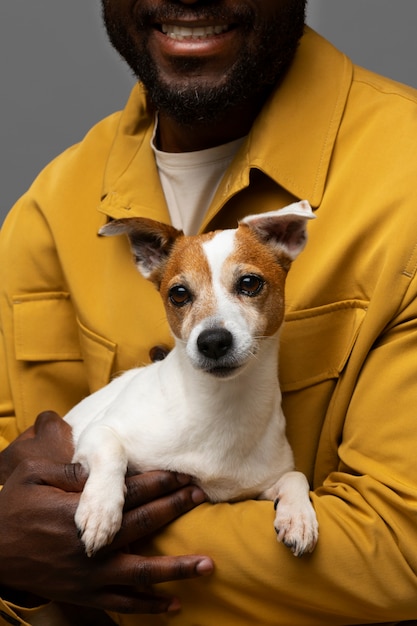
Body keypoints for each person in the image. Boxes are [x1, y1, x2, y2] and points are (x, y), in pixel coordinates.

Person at [1, 0, 417, 624]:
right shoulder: (48, 208)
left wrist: (51, 549)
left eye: (248, 287)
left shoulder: (405, 176)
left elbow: (400, 554)